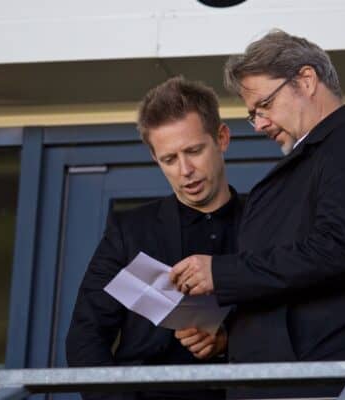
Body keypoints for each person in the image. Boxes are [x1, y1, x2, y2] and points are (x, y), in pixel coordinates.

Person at [170, 29, 345, 398]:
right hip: (285, 379)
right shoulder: (316, 158)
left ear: (306, 80)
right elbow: (290, 284)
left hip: (319, 382)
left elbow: (339, 249)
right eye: (253, 116)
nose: (260, 125)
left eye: (264, 106)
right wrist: (232, 335)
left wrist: (220, 272)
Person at [66, 76, 243, 400]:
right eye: (169, 159)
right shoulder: (129, 230)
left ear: (222, 138)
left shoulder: (265, 220)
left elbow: (295, 320)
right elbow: (85, 337)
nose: (185, 169)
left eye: (194, 151)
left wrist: (228, 340)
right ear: (154, 159)